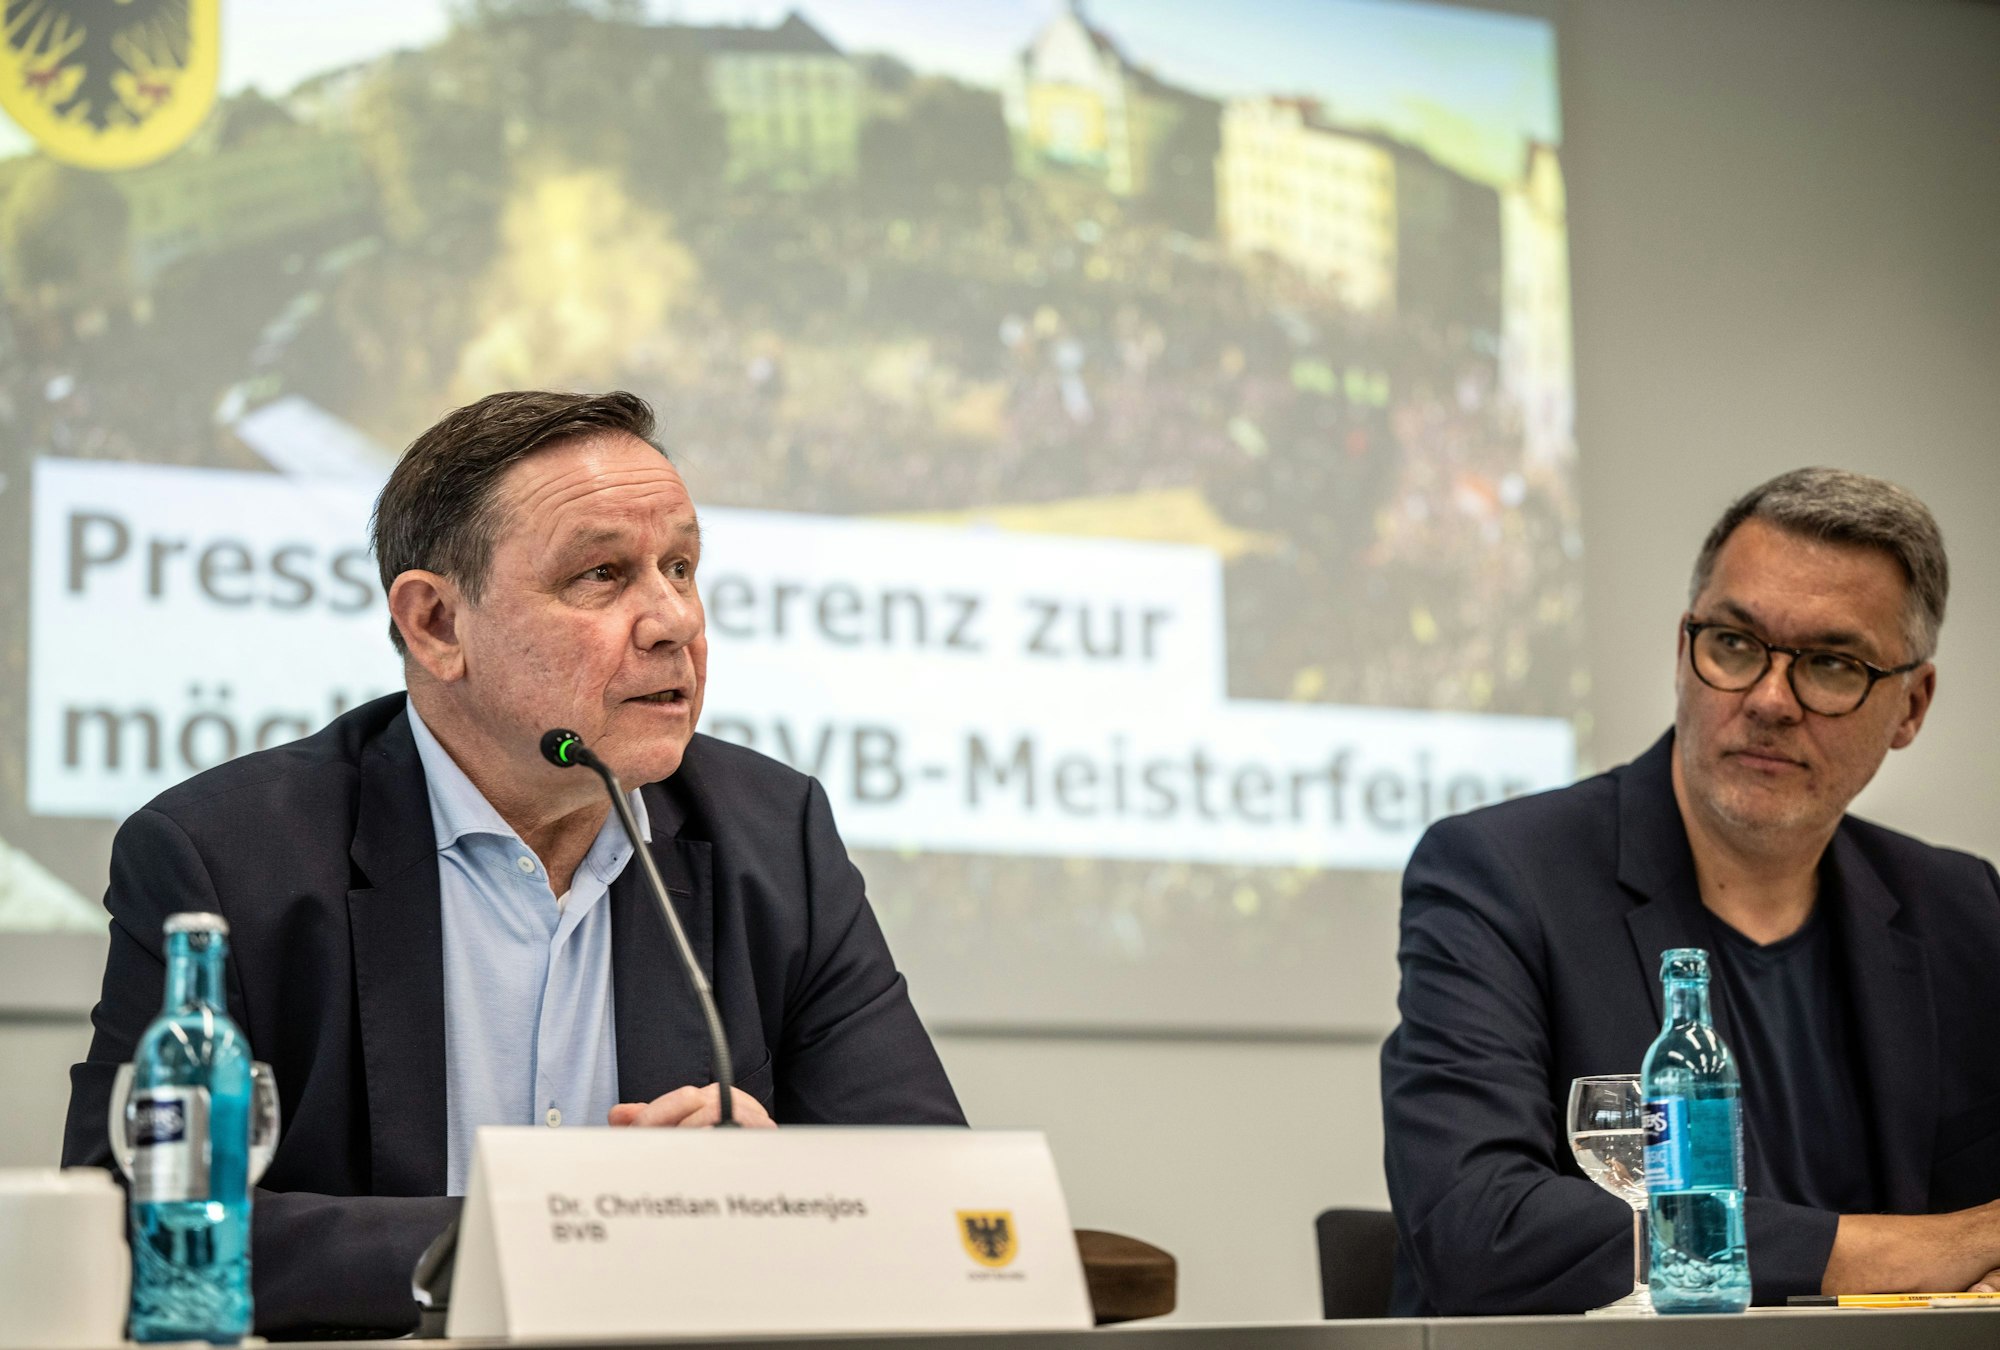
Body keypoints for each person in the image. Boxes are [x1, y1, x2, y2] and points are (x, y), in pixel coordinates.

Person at [62, 391, 964, 1334]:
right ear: (436, 625)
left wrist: (774, 1193)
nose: (673, 623)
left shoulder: (773, 836)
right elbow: (128, 1223)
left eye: (683, 567)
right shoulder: (224, 858)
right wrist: (559, 1236)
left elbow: (934, 1197)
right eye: (604, 575)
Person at [1381, 467, 2000, 1314]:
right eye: (1736, 646)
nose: (1771, 700)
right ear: (1684, 652)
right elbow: (1478, 1228)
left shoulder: (1962, 911)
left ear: (1911, 707)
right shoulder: (1502, 876)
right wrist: (1892, 1251)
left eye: (1830, 664)